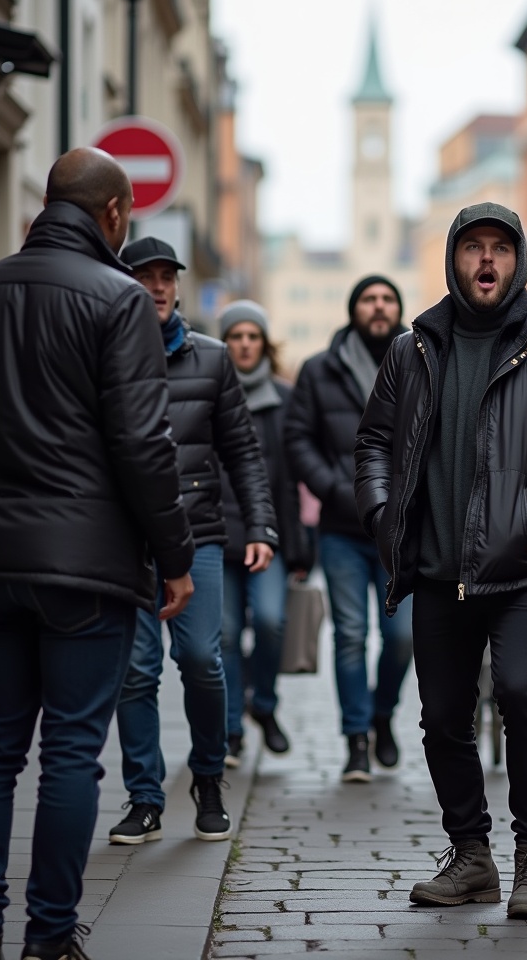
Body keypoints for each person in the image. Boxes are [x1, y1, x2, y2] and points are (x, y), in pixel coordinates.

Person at [0, 148, 196, 960]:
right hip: (88, 564)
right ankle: (48, 935)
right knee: (73, 748)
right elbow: (144, 446)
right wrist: (173, 555)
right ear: (113, 215)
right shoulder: (119, 301)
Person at [355, 202, 527, 919]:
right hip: (437, 568)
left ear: (519, 258)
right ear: (454, 259)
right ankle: (471, 856)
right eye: (474, 249)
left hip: (525, 563)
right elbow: (374, 441)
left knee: (524, 695)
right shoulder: (414, 350)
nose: (487, 261)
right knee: (442, 718)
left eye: (501, 248)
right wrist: (382, 513)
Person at [111, 238, 278, 847]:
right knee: (135, 671)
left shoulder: (211, 359)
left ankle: (208, 777)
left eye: (166, 276)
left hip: (198, 534)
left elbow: (243, 453)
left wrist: (260, 526)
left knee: (203, 660)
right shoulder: (103, 353)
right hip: (124, 541)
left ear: (178, 286)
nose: (157, 286)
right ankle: (145, 797)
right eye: (144, 276)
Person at [286, 275, 412, 782]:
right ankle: (356, 739)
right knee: (351, 636)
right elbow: (298, 441)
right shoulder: (320, 370)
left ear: (397, 309)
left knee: (401, 637)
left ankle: (382, 715)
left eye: (387, 299)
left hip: (404, 529)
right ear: (353, 309)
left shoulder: (422, 359)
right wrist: (337, 490)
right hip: (341, 527)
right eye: (369, 299)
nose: (378, 307)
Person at [217, 300, 313, 764]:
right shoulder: (208, 389)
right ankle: (231, 728)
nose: (245, 344)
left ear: (264, 344)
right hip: (216, 536)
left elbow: (291, 480)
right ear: (225, 343)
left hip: (267, 536)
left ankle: (265, 704)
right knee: (228, 634)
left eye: (253, 336)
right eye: (236, 337)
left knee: (273, 622)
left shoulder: (284, 397)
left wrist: (298, 548)